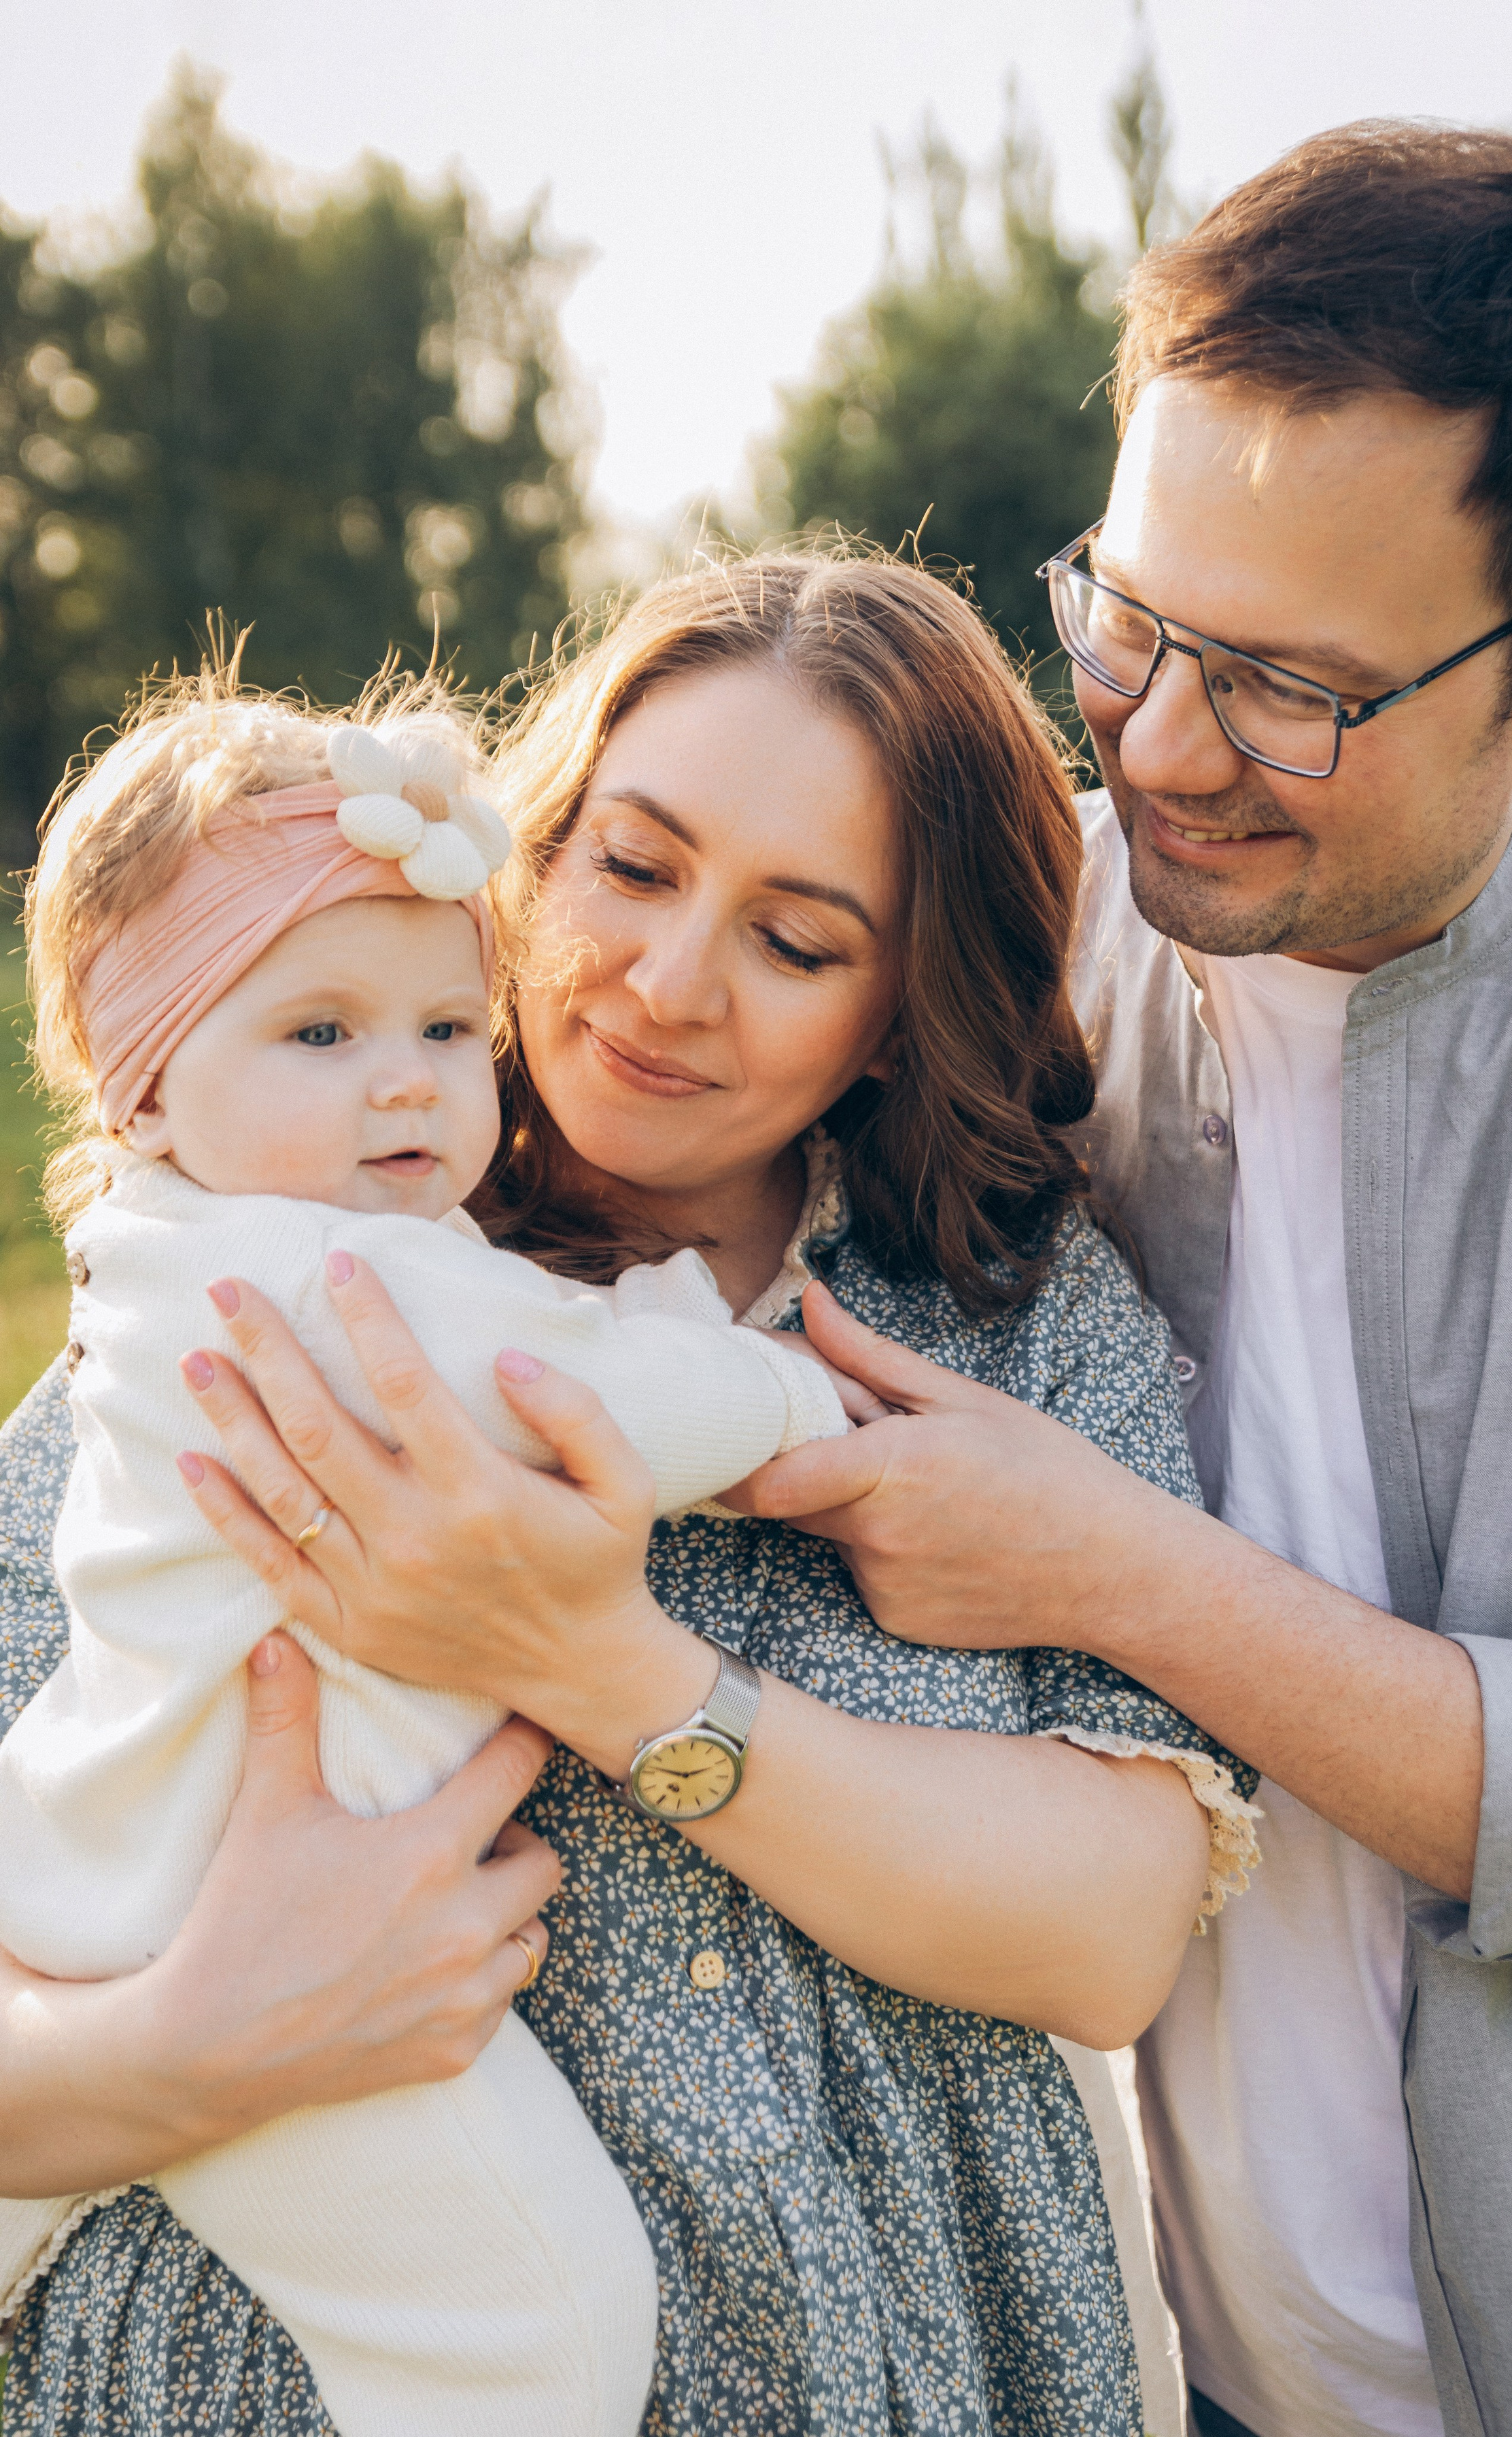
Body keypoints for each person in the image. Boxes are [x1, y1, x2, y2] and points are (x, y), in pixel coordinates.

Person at [0, 556, 1257, 2437]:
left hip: (884, 2368)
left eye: (799, 942)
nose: (668, 989)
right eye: (635, 867)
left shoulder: (1007, 1315)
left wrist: (604, 1666)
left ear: (899, 1010)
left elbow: (1105, 1930)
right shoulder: (271, 1256)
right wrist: (188, 2044)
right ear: (531, 849)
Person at [720, 123, 1512, 2437]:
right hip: (1157, 2379)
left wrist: (1120, 1575)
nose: (1159, 751)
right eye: (1130, 620)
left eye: (1293, 689)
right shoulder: (979, 947)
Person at [1, 685, 863, 2437]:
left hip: (107, 1871)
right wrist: (791, 1389)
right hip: (244, 1914)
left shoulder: (160, 1263)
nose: (403, 1079)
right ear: (149, 1088)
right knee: (531, 2328)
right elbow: (606, 1410)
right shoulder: (322, 1282)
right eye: (317, 1033)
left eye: (450, 1029)